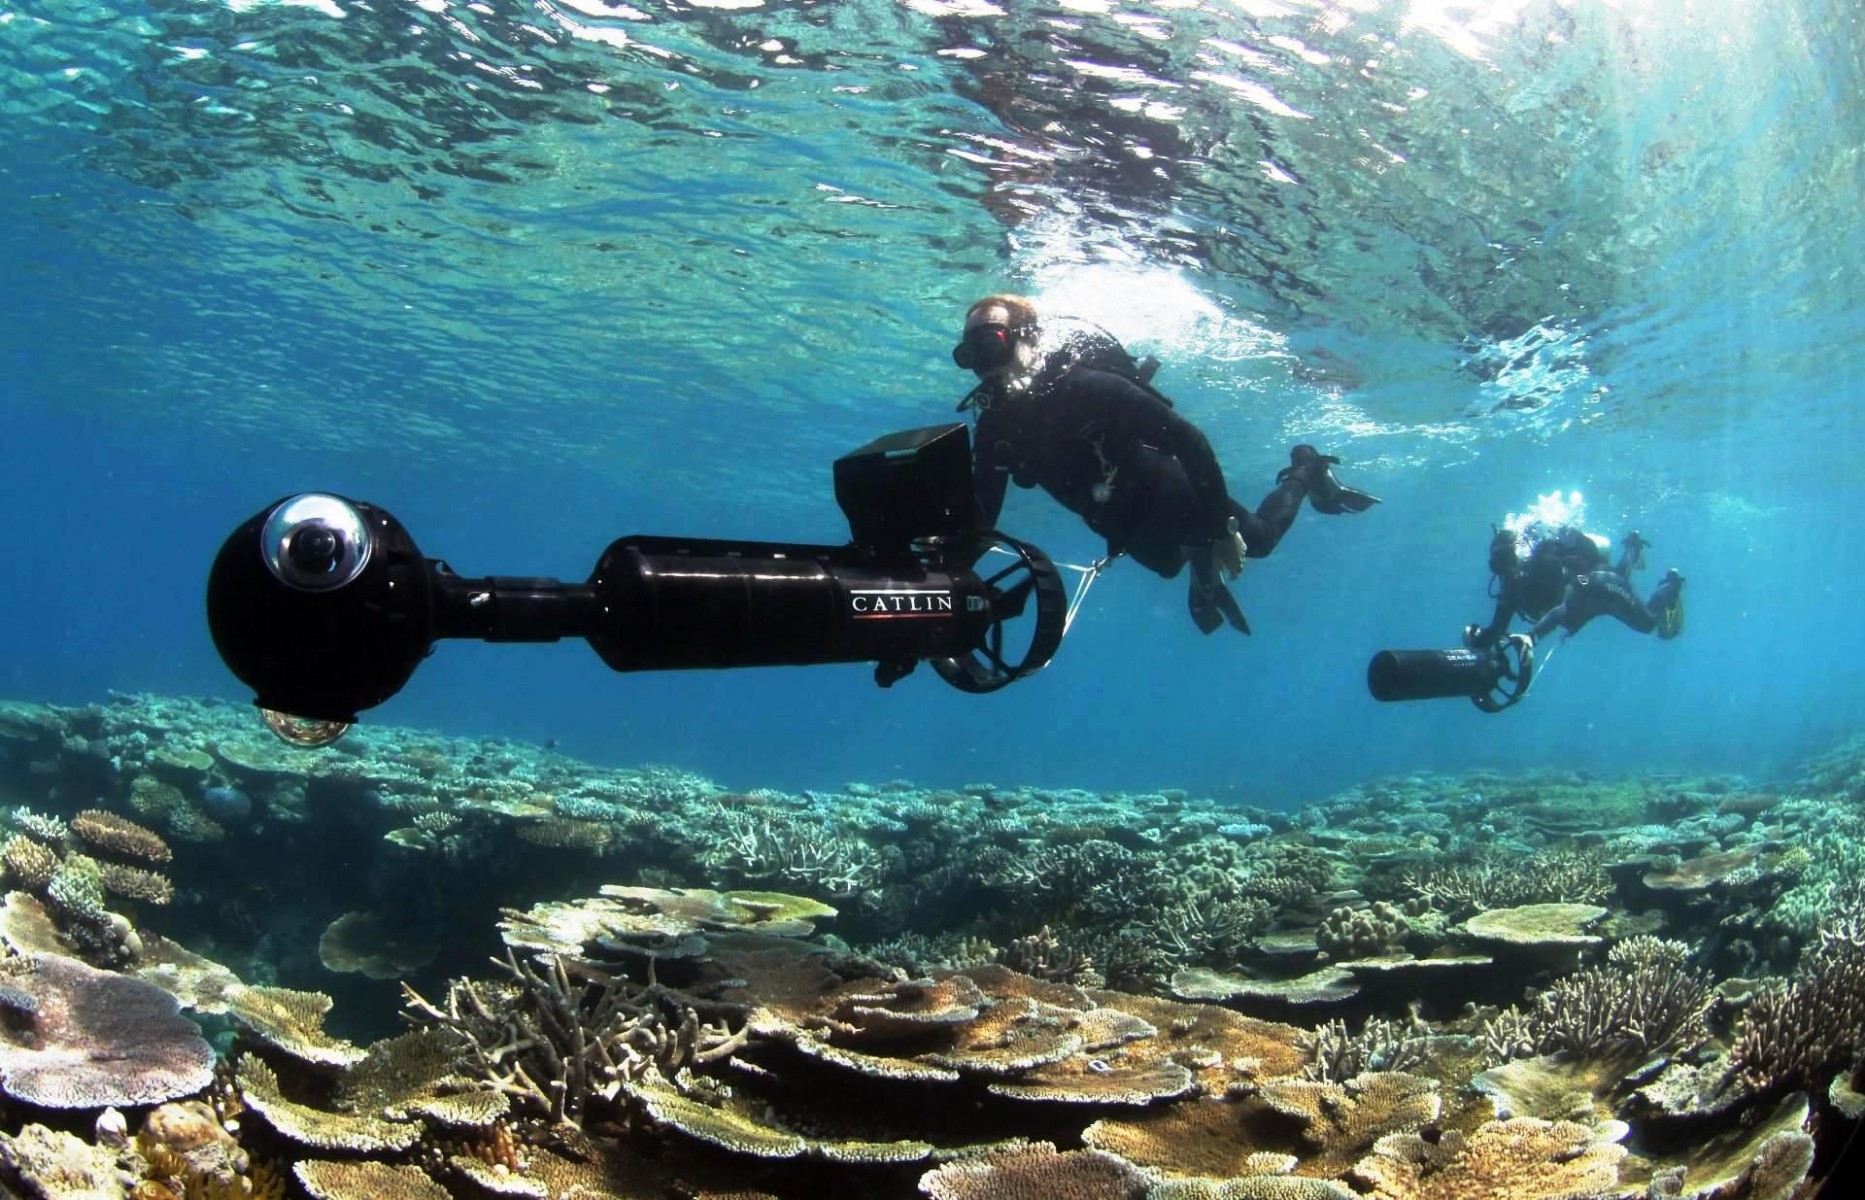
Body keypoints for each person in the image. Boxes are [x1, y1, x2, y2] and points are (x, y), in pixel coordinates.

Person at [951, 294, 1378, 635]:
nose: (984, 367)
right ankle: (1199, 556)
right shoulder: (994, 427)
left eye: (992, 346)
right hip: (1118, 521)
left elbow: (1190, 441)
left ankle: (1306, 468)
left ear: (1027, 337)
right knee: (1169, 566)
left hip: (1170, 492)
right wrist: (938, 586)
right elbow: (984, 511)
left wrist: (1218, 529)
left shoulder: (1089, 387)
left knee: (1260, 541)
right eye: (970, 355)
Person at [1465, 521, 1686, 650]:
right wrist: (1476, 641)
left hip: (1596, 584)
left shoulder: (1543, 566)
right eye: (1497, 565)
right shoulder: (1509, 588)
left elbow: (1566, 607)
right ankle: (1632, 548)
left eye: (1507, 561)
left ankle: (1671, 585)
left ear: (1519, 556)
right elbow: (1497, 630)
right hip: (1587, 595)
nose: (1505, 572)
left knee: (1647, 622)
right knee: (1620, 576)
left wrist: (1533, 636)